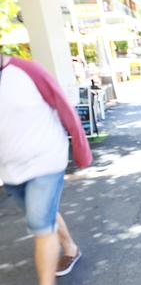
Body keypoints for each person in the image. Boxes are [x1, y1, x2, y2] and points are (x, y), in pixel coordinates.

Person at [0, 54, 92, 284]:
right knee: (42, 216)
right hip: (10, 170)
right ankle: (71, 248)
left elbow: (65, 107)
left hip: (46, 160)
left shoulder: (27, 71)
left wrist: (81, 151)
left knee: (41, 226)